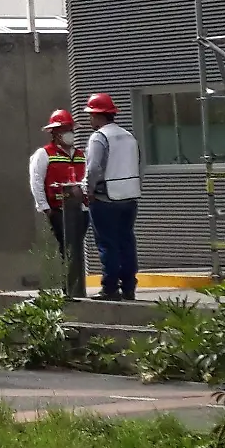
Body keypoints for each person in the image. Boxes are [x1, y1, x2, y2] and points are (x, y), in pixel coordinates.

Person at [79, 93, 141, 300]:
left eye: (91, 115)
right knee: (126, 241)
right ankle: (129, 287)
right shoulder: (128, 136)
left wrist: (87, 191)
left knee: (108, 244)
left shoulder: (99, 137)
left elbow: (94, 168)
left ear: (98, 116)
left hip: (105, 199)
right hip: (129, 197)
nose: (90, 120)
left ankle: (110, 288)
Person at [28, 109, 86, 255]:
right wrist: (46, 208)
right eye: (64, 130)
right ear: (54, 133)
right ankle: (68, 276)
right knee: (67, 248)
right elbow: (36, 181)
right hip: (58, 210)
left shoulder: (81, 155)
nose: (69, 133)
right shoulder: (44, 154)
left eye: (70, 129)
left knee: (77, 247)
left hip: (81, 210)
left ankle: (75, 277)